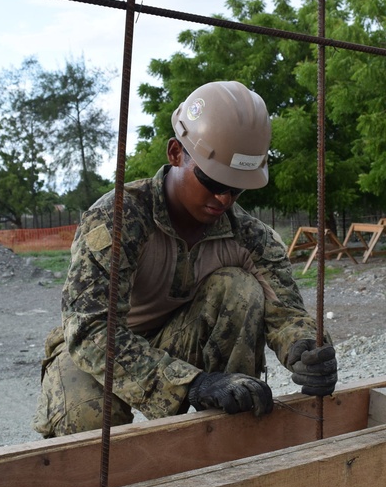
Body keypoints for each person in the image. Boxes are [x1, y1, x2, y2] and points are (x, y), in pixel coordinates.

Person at [32, 80, 337, 436]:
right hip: (100, 347)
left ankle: (226, 437)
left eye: (236, 187)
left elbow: (286, 314)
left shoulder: (250, 237)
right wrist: (190, 384)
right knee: (85, 425)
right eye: (212, 180)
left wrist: (305, 350)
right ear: (176, 153)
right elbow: (90, 329)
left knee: (240, 289)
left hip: (178, 338)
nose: (224, 198)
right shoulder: (120, 219)